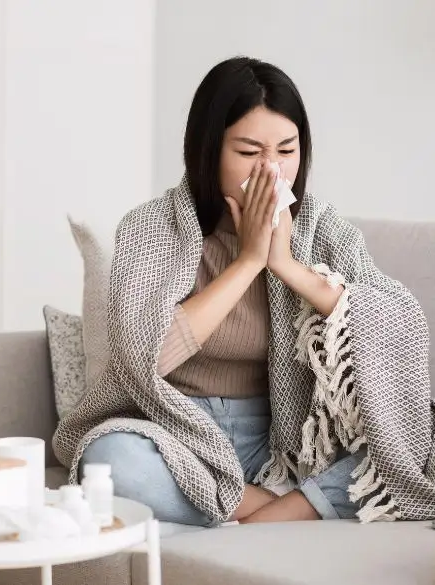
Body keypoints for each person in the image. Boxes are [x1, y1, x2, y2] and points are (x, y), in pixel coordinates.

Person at [53, 56, 434, 526]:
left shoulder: (322, 227)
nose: (271, 171)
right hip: (176, 433)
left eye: (286, 151)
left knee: (412, 450)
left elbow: (396, 324)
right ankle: (281, 511)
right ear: (209, 151)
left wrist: (287, 266)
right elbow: (144, 356)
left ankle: (250, 509)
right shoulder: (153, 228)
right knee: (111, 461)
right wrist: (249, 260)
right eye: (250, 152)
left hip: (282, 446)